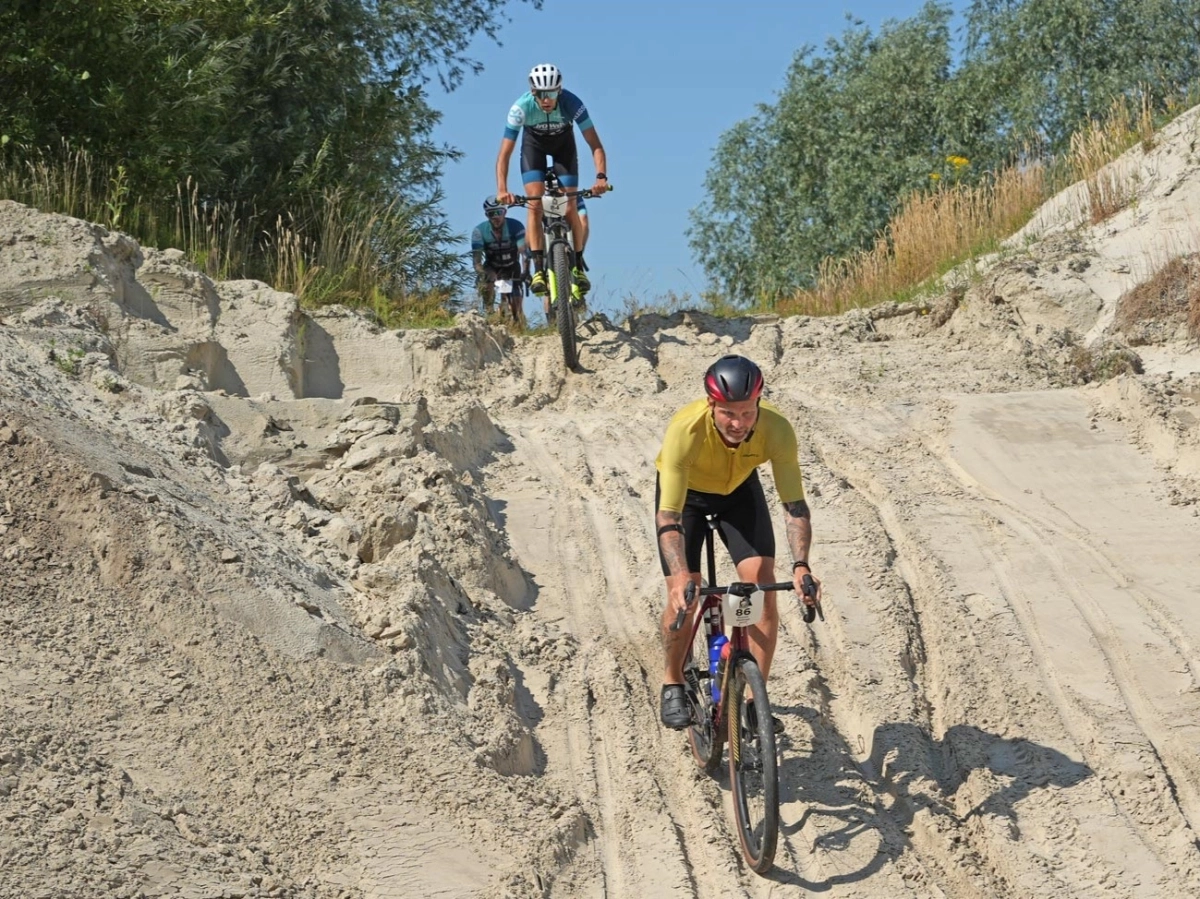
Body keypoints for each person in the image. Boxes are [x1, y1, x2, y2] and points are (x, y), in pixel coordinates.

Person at [654, 355, 822, 731]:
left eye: (747, 413)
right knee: (685, 592)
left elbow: (794, 506)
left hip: (739, 492)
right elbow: (669, 517)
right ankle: (673, 681)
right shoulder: (686, 430)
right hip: (687, 501)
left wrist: (801, 566)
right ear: (711, 405)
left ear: (759, 404)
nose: (738, 423)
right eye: (729, 413)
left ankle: (751, 702)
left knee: (761, 582)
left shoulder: (777, 430)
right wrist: (681, 575)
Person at [494, 63, 608, 308]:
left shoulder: (573, 104)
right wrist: (502, 189)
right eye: (541, 94)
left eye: (552, 93)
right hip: (532, 148)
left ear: (560, 91)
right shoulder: (520, 108)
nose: (546, 100)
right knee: (534, 203)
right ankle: (538, 270)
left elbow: (595, 145)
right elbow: (504, 154)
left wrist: (600, 178)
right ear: (533, 93)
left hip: (563, 150)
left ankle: (577, 267)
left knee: (569, 207)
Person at [471, 195, 530, 323]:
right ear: (486, 215)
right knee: (487, 282)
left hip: (512, 266)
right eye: (491, 214)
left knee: (515, 303)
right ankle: (489, 312)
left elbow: (524, 253)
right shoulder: (479, 231)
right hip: (492, 265)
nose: (496, 217)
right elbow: (477, 262)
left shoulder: (516, 226)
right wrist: (483, 274)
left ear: (505, 212)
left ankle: (517, 318)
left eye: (499, 212)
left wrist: (526, 272)